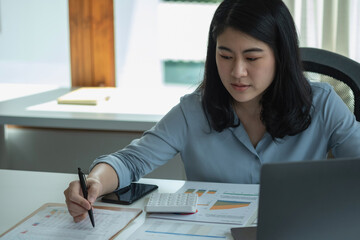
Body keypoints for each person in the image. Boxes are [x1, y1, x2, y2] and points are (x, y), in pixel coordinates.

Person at [64, 0, 360, 223]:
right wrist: (95, 181)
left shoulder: (322, 104)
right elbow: (130, 160)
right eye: (225, 55)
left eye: (252, 57)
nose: (237, 72)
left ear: (280, 56)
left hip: (299, 229)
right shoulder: (194, 110)